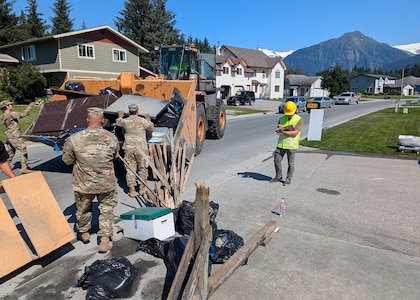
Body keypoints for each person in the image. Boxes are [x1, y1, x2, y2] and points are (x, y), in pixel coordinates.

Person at [62, 107, 119, 253]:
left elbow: (67, 160)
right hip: (106, 184)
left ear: (87, 120)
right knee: (106, 209)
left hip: (84, 184)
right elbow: (114, 157)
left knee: (83, 208)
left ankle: (84, 233)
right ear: (103, 120)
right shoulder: (111, 138)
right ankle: (105, 240)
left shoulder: (74, 139)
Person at [116, 103, 154, 198]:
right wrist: (148, 118)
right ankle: (142, 188)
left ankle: (131, 189)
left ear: (129, 111)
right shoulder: (142, 121)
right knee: (142, 168)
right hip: (141, 148)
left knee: (130, 169)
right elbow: (151, 128)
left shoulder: (125, 121)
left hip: (129, 148)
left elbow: (118, 122)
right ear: (137, 111)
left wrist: (120, 116)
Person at [270, 101, 303, 185]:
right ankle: (278, 176)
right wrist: (279, 129)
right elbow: (278, 130)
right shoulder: (281, 118)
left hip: (291, 146)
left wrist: (284, 131)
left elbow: (295, 133)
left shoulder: (299, 119)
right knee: (277, 160)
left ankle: (288, 179)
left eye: (290, 113)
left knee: (290, 163)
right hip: (281, 144)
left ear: (295, 111)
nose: (288, 115)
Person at [0, 100, 35, 174]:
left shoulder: (3, 116)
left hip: (8, 135)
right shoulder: (12, 114)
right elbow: (23, 114)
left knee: (11, 151)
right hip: (14, 136)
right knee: (23, 149)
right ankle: (24, 167)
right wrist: (30, 106)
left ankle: (5, 166)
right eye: (10, 104)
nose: (12, 105)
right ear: (7, 106)